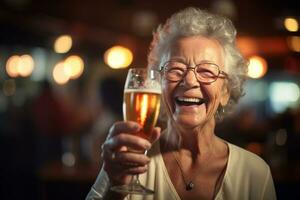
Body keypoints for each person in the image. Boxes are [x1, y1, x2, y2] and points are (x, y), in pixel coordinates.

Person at [86, 7, 276, 200]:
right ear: (158, 84)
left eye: (207, 71)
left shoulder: (255, 173)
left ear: (225, 92)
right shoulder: (127, 160)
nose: (190, 81)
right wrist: (116, 187)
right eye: (175, 69)